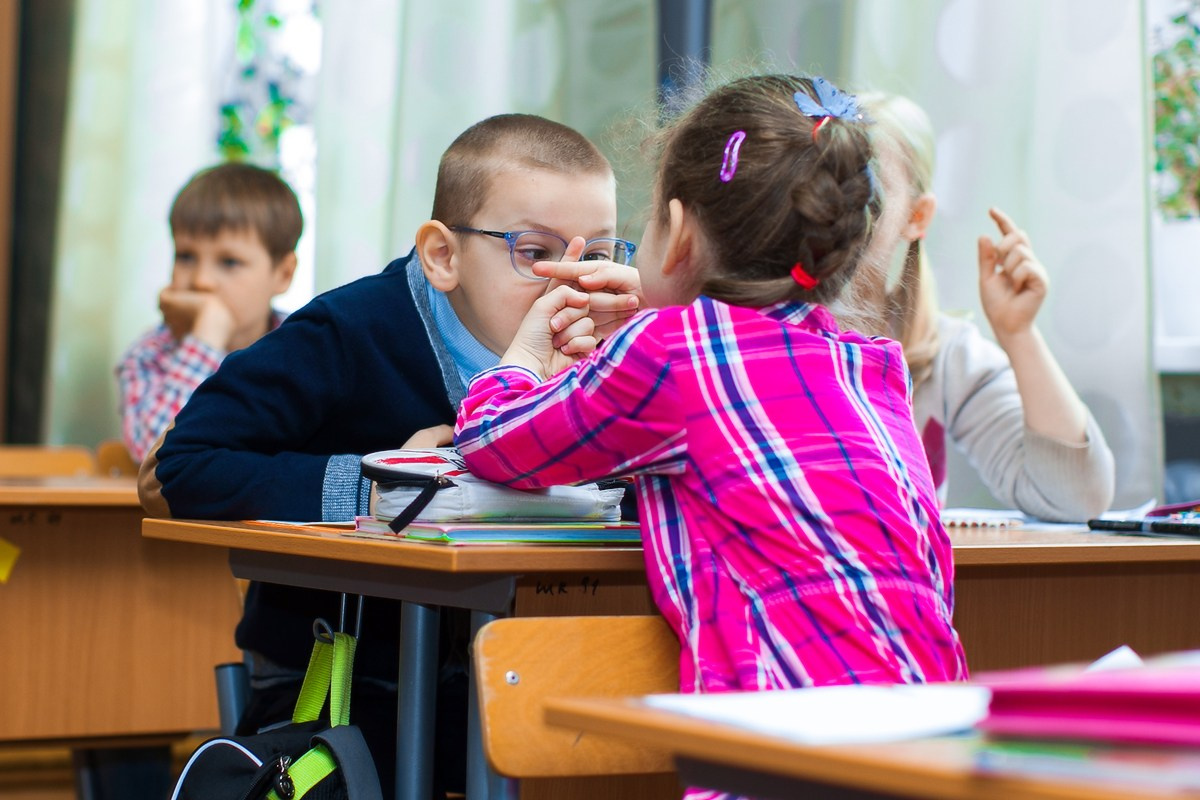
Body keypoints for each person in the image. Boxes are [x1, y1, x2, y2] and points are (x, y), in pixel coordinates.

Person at [455, 75, 969, 745]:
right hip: (939, 738)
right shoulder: (871, 366)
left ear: (677, 233)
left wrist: (527, 356)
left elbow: (494, 442)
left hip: (795, 755)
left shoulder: (671, 350)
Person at [138, 113, 638, 799]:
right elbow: (184, 465)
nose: (571, 285)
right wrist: (375, 490)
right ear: (443, 256)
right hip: (340, 688)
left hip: (517, 669)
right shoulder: (347, 332)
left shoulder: (610, 350)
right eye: (534, 253)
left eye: (596, 255)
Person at [841, 92, 1114, 522]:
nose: (834, 208)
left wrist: (1019, 335)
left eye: (868, 188)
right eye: (822, 183)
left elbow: (1076, 498)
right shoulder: (754, 333)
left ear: (916, 217)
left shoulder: (945, 355)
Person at [116, 162, 301, 463]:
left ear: (283, 274)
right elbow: (157, 456)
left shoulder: (303, 350)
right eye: (186, 257)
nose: (201, 280)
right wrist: (207, 337)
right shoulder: (149, 355)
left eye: (229, 262)